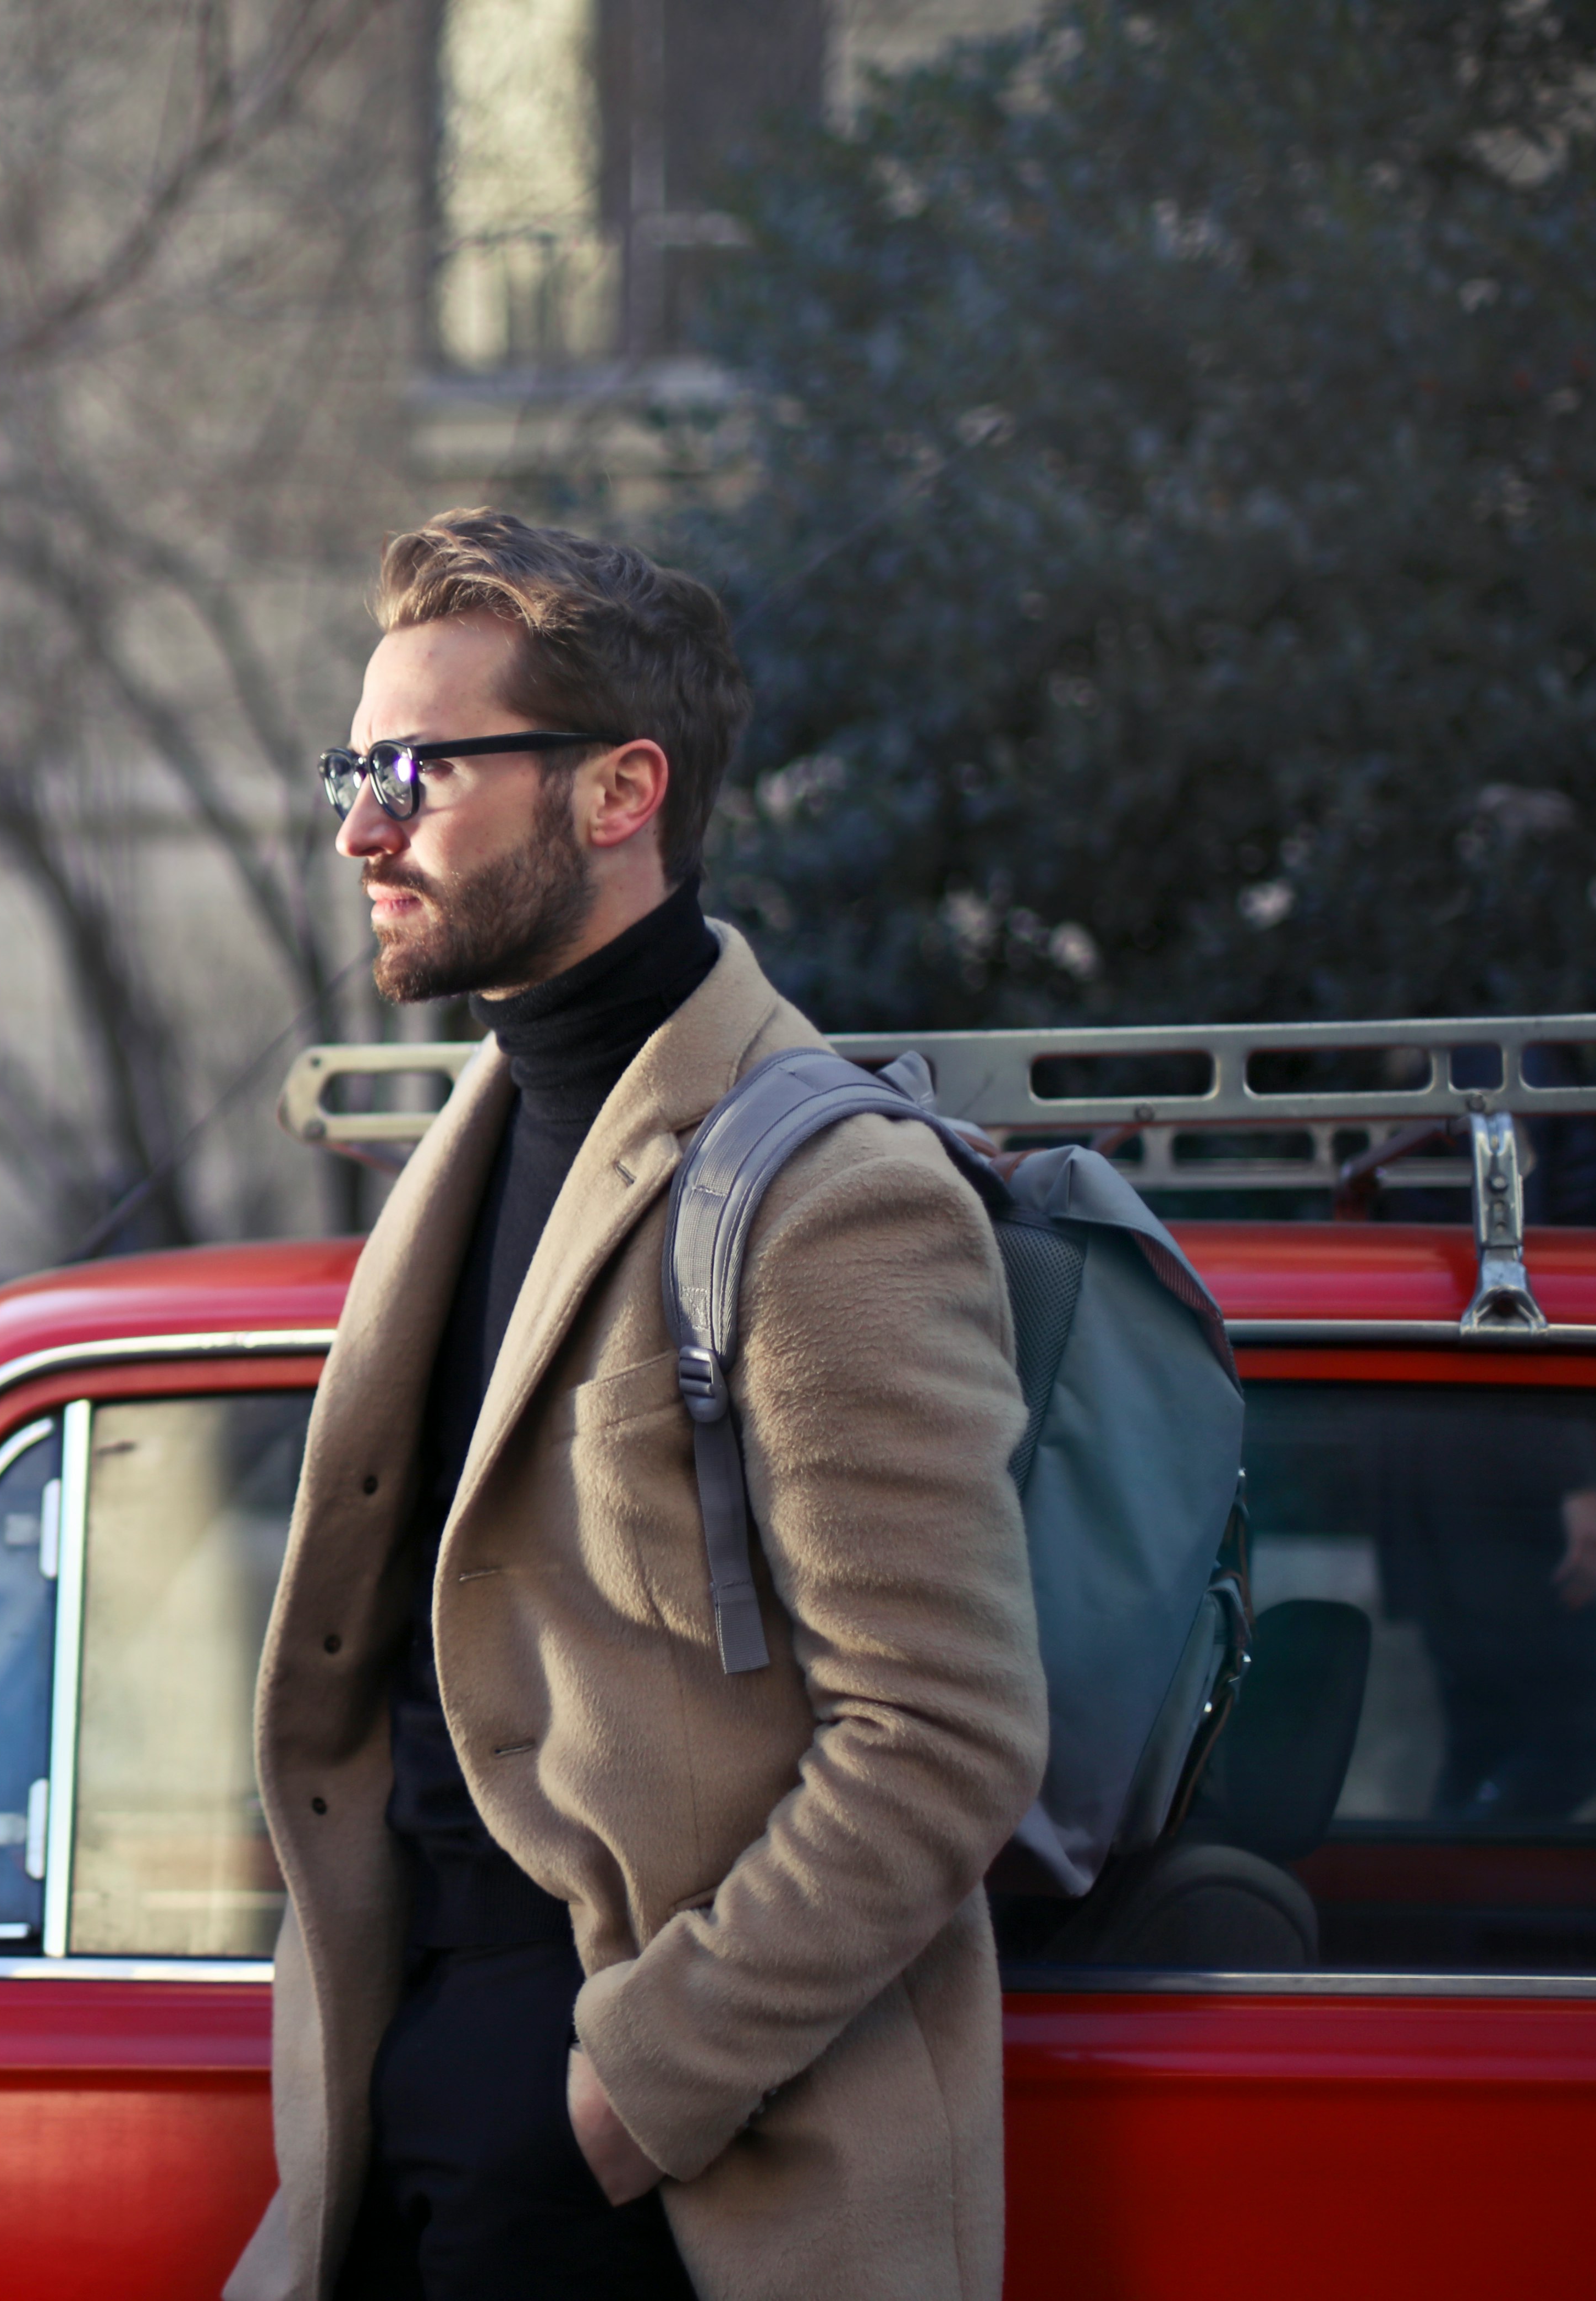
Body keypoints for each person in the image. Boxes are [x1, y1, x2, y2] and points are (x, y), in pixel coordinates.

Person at [227, 510, 1050, 2301]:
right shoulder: (480, 1129)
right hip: (401, 2095)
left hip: (670, 2182)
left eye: (422, 771)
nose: (363, 826)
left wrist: (617, 2094)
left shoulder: (830, 1193)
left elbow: (945, 1737)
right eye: (354, 767)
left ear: (618, 795)